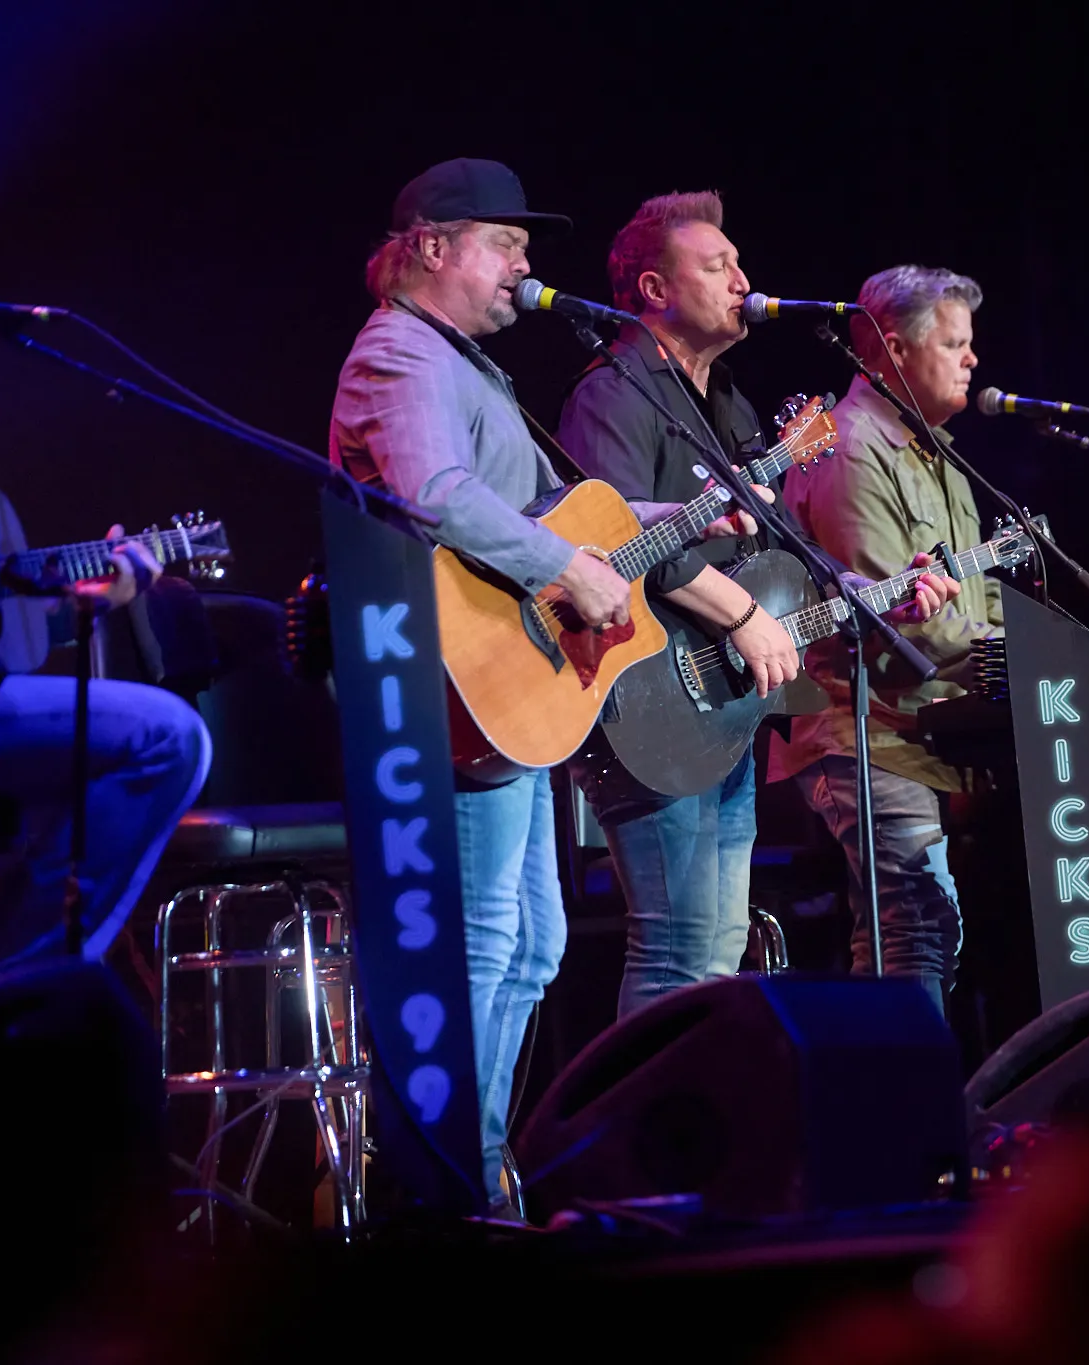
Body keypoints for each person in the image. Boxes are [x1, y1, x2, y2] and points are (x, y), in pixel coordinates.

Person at [327, 160, 760, 1207]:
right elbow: (431, 494)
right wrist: (561, 568)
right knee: (481, 941)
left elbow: (547, 506)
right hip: (446, 684)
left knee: (532, 941)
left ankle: (480, 1178)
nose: (527, 265)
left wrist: (668, 521)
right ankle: (443, 1199)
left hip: (506, 689)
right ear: (431, 246)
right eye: (505, 244)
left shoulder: (461, 363)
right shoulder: (399, 352)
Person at [557, 192, 956, 1018]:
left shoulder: (728, 402)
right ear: (656, 290)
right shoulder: (613, 396)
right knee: (675, 945)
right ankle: (643, 1136)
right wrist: (738, 613)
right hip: (644, 700)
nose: (744, 279)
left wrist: (871, 594)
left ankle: (689, 1134)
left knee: (717, 944)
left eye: (740, 262)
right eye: (718, 265)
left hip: (722, 707)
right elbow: (607, 542)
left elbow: (773, 556)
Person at [0, 184, 211, 971]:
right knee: (166, 737)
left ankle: (13, 1002)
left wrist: (83, 598)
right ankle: (10, 994)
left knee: (102, 771)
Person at [769, 265, 998, 1013]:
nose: (971, 359)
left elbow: (980, 600)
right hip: (863, 730)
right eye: (954, 343)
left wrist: (1035, 661)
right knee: (915, 928)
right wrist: (1010, 660)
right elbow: (890, 618)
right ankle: (909, 1115)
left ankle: (904, 1108)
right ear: (894, 349)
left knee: (914, 930)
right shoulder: (847, 445)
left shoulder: (946, 458)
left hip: (931, 733)